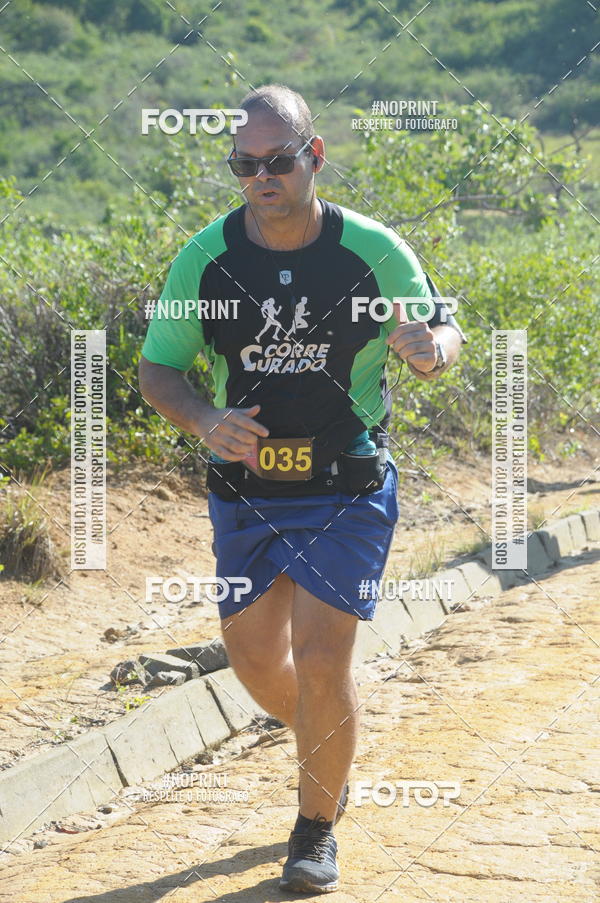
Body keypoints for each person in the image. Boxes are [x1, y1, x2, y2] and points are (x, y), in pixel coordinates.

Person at [138, 83, 467, 894]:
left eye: (277, 161)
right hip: (245, 489)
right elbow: (158, 370)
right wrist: (204, 416)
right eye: (244, 165)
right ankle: (327, 741)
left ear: (313, 158)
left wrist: (433, 348)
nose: (261, 177)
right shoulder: (205, 258)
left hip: (347, 482)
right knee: (255, 662)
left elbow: (444, 329)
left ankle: (314, 828)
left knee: (324, 659)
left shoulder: (373, 251)